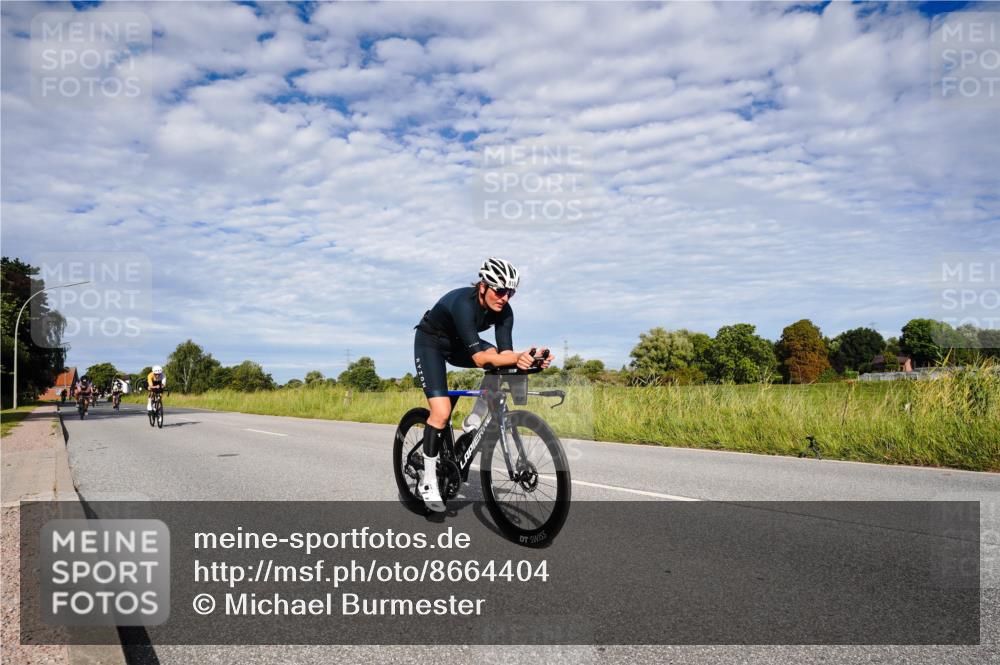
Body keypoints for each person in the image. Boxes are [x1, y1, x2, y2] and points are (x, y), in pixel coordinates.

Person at [412, 257, 554, 511]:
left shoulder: (505, 312)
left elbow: (505, 355)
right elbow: (479, 358)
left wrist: (530, 361)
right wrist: (516, 356)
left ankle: (474, 421)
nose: (505, 297)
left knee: (500, 365)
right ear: (483, 286)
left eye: (510, 292)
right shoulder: (463, 304)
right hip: (430, 343)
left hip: (458, 346)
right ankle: (429, 482)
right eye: (499, 290)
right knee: (441, 412)